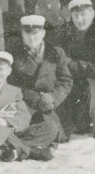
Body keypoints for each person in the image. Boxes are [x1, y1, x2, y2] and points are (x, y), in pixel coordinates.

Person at [55, 0, 95, 138]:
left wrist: (69, 63)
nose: (80, 19)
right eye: (75, 15)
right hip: (73, 79)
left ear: (93, 14)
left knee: (90, 91)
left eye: (83, 14)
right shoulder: (65, 35)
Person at [8, 15, 73, 143]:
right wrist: (35, 98)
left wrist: (53, 98)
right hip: (27, 103)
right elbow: (11, 84)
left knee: (56, 132)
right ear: (22, 34)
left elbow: (66, 81)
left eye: (35, 33)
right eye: (27, 33)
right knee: (23, 130)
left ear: (43, 33)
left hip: (52, 105)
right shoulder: (14, 53)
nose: (32, 38)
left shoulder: (56, 52)